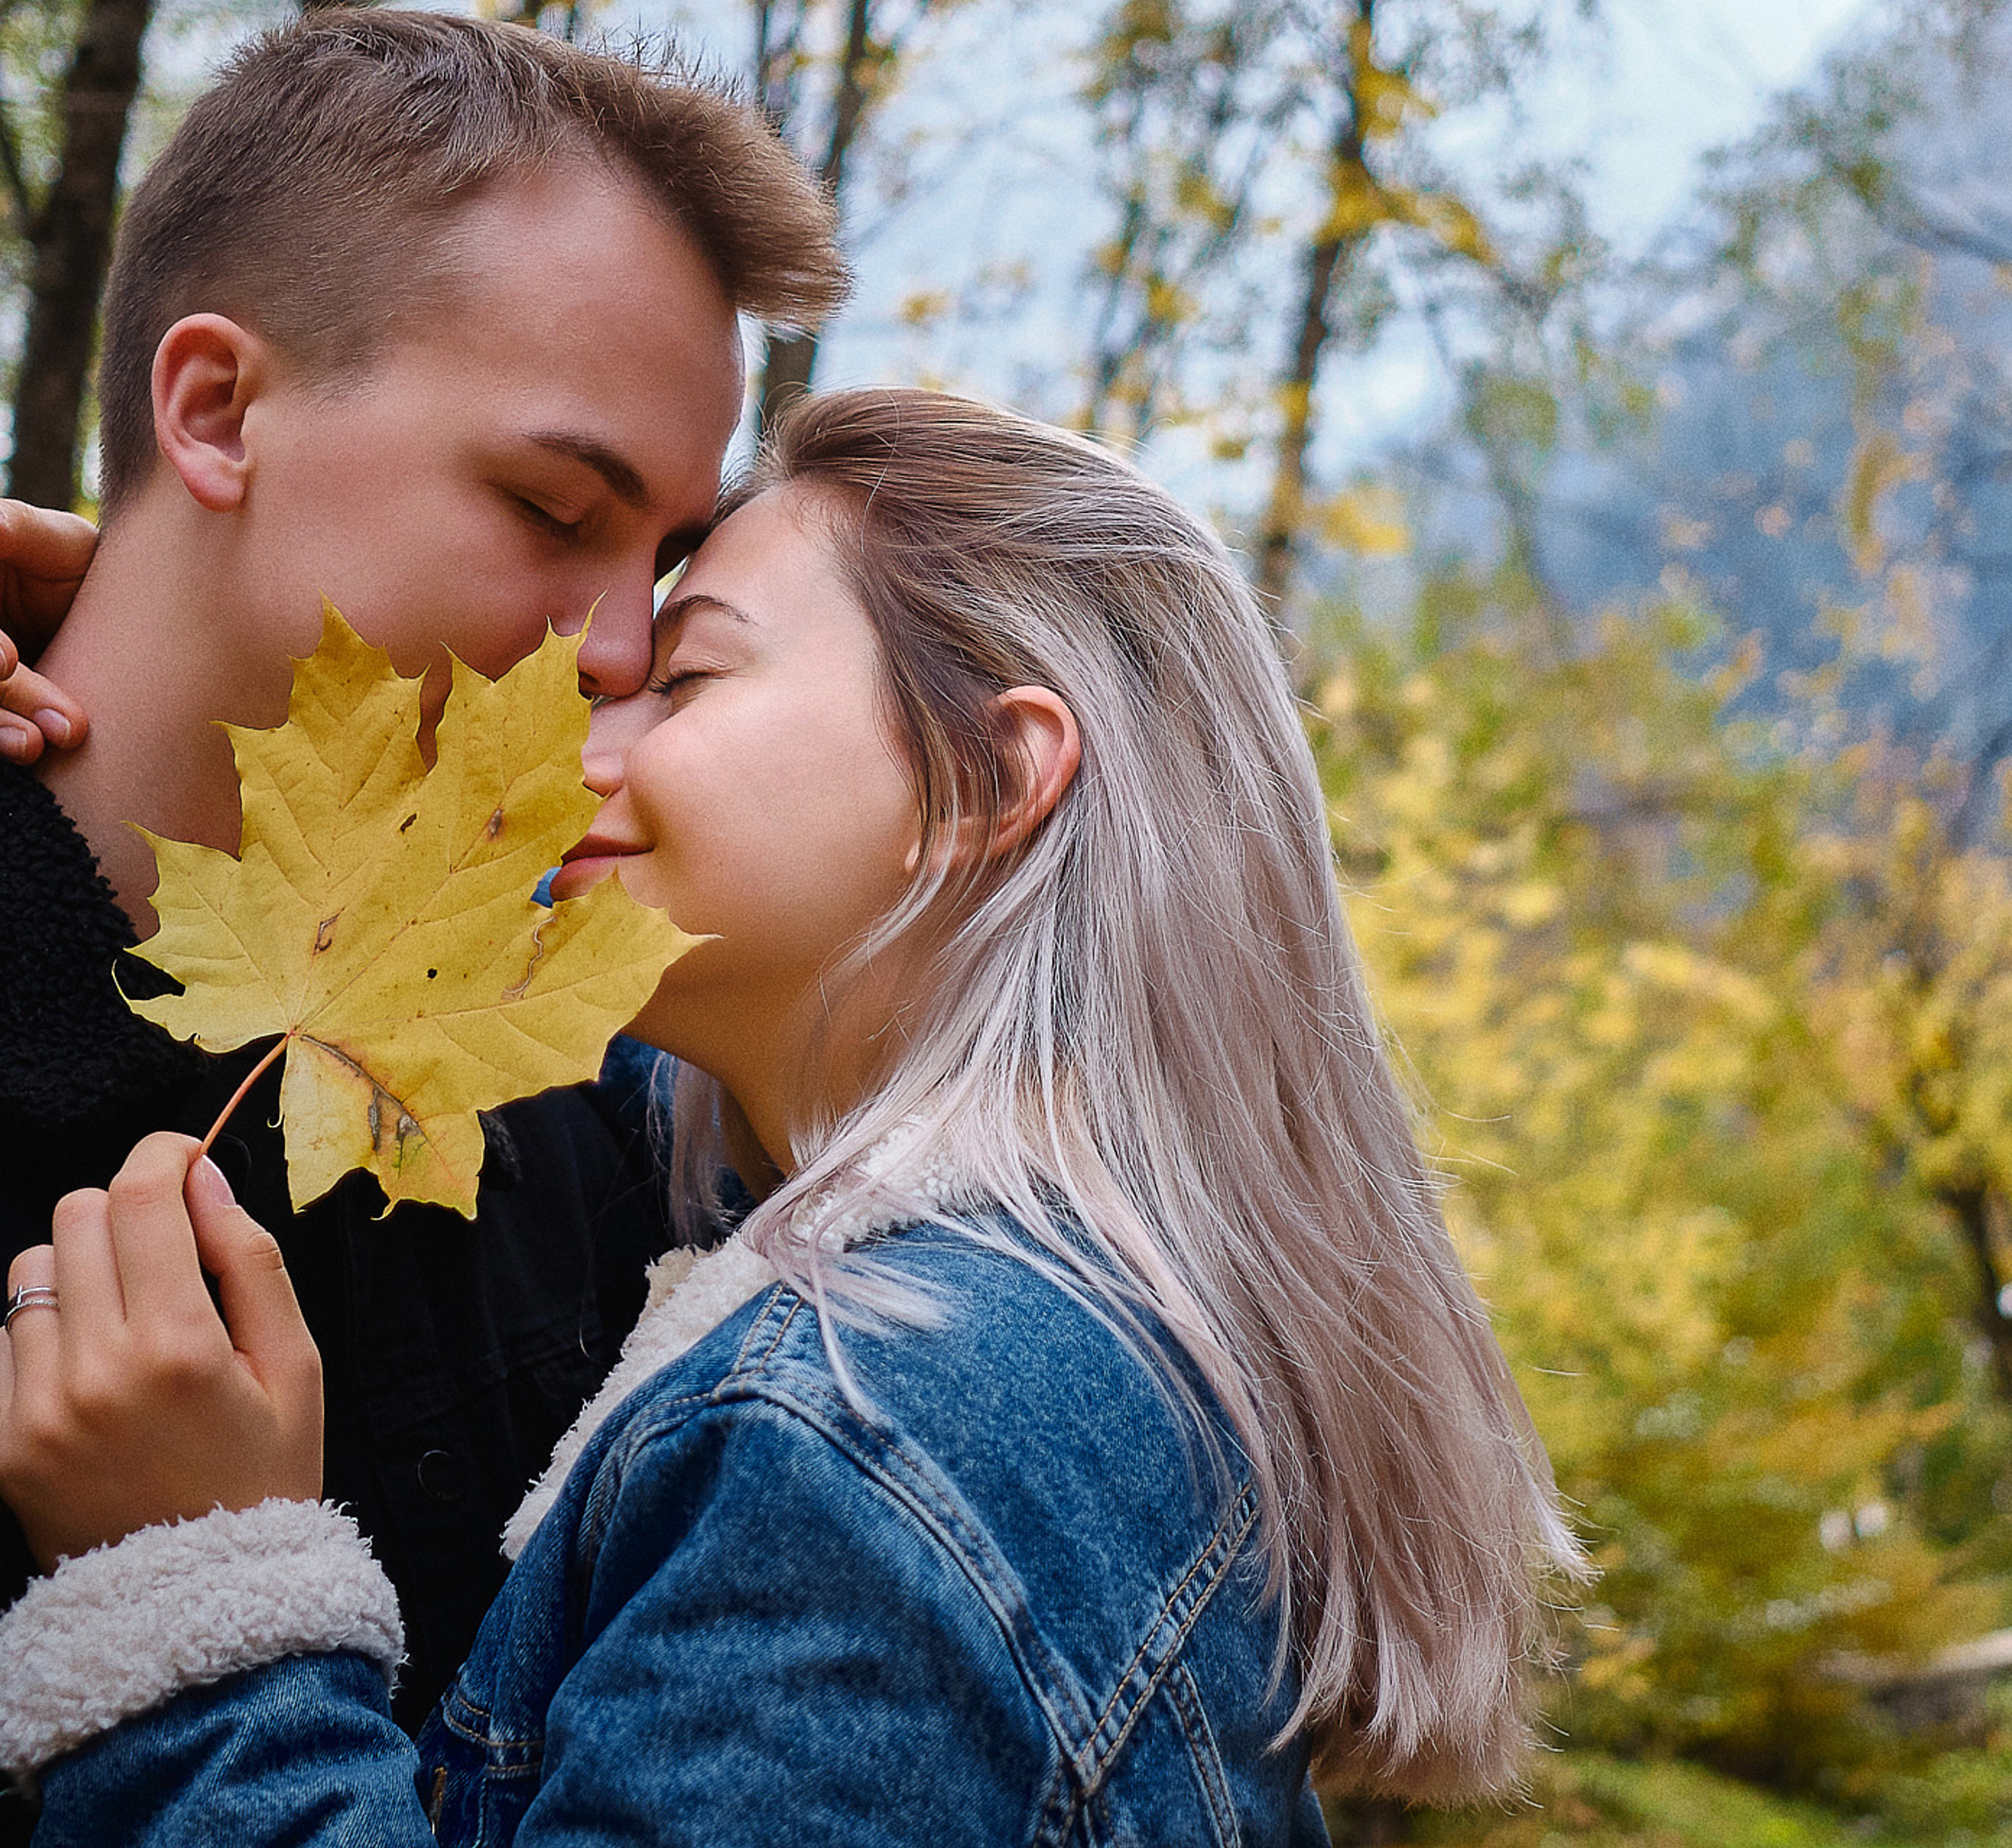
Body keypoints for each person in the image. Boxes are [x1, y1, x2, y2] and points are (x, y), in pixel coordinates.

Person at [0, 388, 1575, 1845]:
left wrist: (190, 1608)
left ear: (982, 781)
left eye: (681, 677)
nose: (569, 741)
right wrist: (154, 632)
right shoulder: (1052, 1321)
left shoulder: (867, 1434)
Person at [0, 6, 848, 1782]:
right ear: (219, 408)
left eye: (666, 565)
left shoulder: (595, 1082)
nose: (622, 648)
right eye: (553, 506)